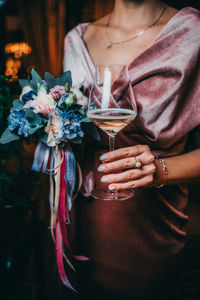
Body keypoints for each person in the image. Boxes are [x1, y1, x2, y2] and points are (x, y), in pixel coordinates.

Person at [63, 0, 200, 299]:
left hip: (151, 225)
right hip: (83, 215)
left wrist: (162, 170)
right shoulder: (76, 39)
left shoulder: (194, 33)